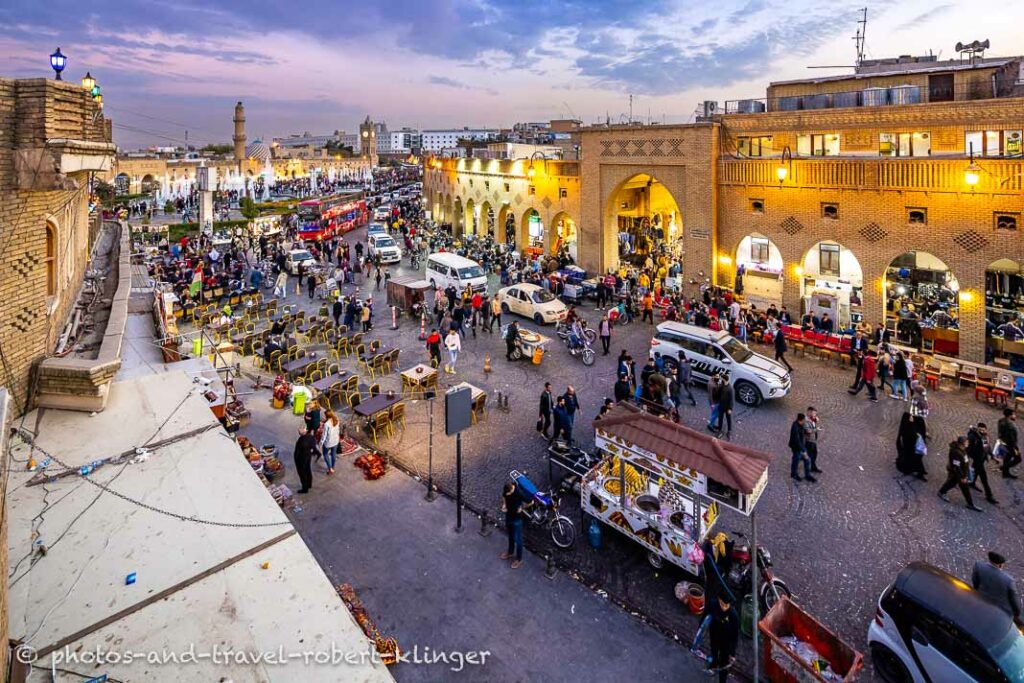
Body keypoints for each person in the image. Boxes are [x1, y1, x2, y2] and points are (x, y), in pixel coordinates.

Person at [972, 551, 1021, 621]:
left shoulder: (978, 566)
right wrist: (1017, 613)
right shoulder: (1009, 581)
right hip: (1000, 610)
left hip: (981, 599)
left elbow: (975, 581)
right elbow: (1013, 600)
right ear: (1000, 565)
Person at [938, 436, 982, 511]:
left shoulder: (962, 450)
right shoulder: (956, 452)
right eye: (966, 442)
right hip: (959, 474)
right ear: (962, 443)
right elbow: (957, 467)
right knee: (964, 488)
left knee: (952, 483)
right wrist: (962, 477)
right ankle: (970, 504)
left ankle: (941, 492)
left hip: (961, 473)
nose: (968, 443)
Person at [706, 593, 740, 683]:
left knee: (724, 664)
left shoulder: (733, 616)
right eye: (722, 604)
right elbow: (705, 617)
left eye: (726, 605)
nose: (724, 607)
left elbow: (735, 636)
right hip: (714, 635)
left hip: (726, 643)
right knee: (714, 653)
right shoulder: (712, 604)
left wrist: (732, 653)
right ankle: (714, 664)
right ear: (718, 600)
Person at [967, 422, 998, 505]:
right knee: (984, 479)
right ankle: (989, 495)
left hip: (981, 458)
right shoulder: (973, 437)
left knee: (975, 472)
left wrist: (992, 456)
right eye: (980, 430)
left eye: (983, 430)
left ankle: (972, 483)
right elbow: (968, 447)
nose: (982, 431)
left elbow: (987, 447)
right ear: (978, 429)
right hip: (977, 459)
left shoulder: (984, 437)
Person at [500, 481, 527, 569]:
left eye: (509, 493)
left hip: (517, 519)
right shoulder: (506, 490)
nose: (508, 494)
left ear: (512, 489)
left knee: (518, 540)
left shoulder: (518, 493)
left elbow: (531, 501)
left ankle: (519, 559)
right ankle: (510, 552)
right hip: (509, 516)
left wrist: (522, 508)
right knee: (510, 536)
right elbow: (504, 496)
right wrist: (504, 505)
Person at [788, 413, 815, 482]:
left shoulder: (801, 424)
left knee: (807, 460)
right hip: (796, 447)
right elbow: (797, 441)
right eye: (805, 420)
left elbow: (804, 432)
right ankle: (794, 474)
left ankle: (807, 475)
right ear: (802, 420)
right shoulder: (795, 427)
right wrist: (803, 451)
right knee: (796, 460)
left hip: (802, 446)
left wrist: (807, 432)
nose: (806, 421)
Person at [293, 425, 317, 494]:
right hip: (308, 456)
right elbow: (313, 445)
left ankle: (305, 488)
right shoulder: (310, 437)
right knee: (308, 470)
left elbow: (297, 453)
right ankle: (309, 484)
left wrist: (296, 461)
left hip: (301, 459)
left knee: (302, 473)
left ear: (300, 433)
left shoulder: (300, 441)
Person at [998, 408, 1022, 478]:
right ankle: (1003, 467)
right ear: (1010, 415)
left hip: (1004, 442)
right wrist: (1015, 448)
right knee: (1018, 459)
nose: (1015, 416)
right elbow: (1012, 438)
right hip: (1011, 445)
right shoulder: (1010, 425)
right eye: (1014, 414)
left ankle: (1005, 473)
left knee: (1007, 458)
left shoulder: (1001, 421)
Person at [320, 410, 340, 475]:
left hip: (328, 442)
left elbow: (324, 435)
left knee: (325, 454)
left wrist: (320, 443)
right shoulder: (336, 420)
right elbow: (338, 430)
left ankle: (330, 468)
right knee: (333, 454)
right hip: (335, 441)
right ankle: (333, 467)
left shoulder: (326, 424)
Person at [805, 406, 822, 473]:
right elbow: (808, 431)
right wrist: (816, 429)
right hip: (808, 441)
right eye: (814, 413)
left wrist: (815, 420)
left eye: (815, 414)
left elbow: (814, 423)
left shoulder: (812, 419)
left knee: (814, 453)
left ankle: (813, 467)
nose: (815, 415)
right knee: (811, 454)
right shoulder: (806, 421)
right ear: (809, 412)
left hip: (813, 440)